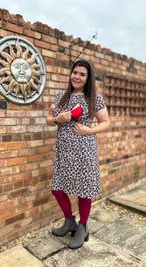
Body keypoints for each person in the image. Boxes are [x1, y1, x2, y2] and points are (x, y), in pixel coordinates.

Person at [46, 59, 110, 249]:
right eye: (75, 72)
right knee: (57, 189)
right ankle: (69, 222)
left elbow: (106, 122)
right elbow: (49, 119)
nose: (77, 77)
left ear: (88, 78)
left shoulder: (94, 98)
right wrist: (58, 118)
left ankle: (82, 227)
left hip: (84, 151)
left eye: (82, 74)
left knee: (84, 191)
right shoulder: (61, 96)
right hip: (64, 151)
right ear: (71, 73)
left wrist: (88, 130)